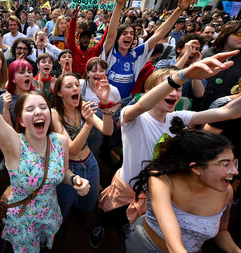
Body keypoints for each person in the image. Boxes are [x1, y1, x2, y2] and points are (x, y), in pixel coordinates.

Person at [0, 8, 90, 253]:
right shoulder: (13, 144)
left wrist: (75, 180)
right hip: (23, 220)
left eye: (42, 107)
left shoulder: (59, 140)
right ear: (22, 120)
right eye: (30, 109)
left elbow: (65, 172)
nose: (39, 112)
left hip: (50, 213)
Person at [90, 49, 241, 248]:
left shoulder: (178, 118)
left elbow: (228, 112)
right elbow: (142, 105)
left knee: (132, 222)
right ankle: (100, 226)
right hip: (127, 186)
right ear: (152, 91)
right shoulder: (134, 117)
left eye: (179, 89)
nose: (175, 92)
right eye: (168, 86)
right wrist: (182, 75)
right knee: (110, 213)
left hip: (156, 192)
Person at [127, 120, 240, 253]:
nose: (235, 171)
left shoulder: (227, 192)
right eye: (226, 164)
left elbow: (221, 231)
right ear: (196, 168)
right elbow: (174, 245)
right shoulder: (160, 181)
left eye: (234, 163)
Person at [102, 0, 201, 105]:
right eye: (124, 33)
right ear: (117, 38)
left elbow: (159, 33)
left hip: (124, 104)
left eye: (132, 34)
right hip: (104, 102)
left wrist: (179, 10)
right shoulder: (111, 52)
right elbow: (110, 34)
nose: (129, 36)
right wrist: (119, 4)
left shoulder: (137, 54)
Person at [52, 73, 114, 221]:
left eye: (77, 85)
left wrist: (105, 103)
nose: (75, 88)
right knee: (63, 207)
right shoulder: (54, 114)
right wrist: (87, 124)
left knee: (88, 202)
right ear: (59, 93)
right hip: (69, 170)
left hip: (90, 164)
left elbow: (108, 130)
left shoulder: (84, 107)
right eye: (69, 86)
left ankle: (79, 209)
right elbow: (72, 150)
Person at [67, 6, 108, 76]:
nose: (85, 39)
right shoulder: (74, 50)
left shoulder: (93, 52)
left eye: (87, 38)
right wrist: (73, 20)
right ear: (79, 41)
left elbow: (102, 43)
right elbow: (70, 36)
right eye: (83, 38)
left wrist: (108, 27)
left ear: (89, 41)